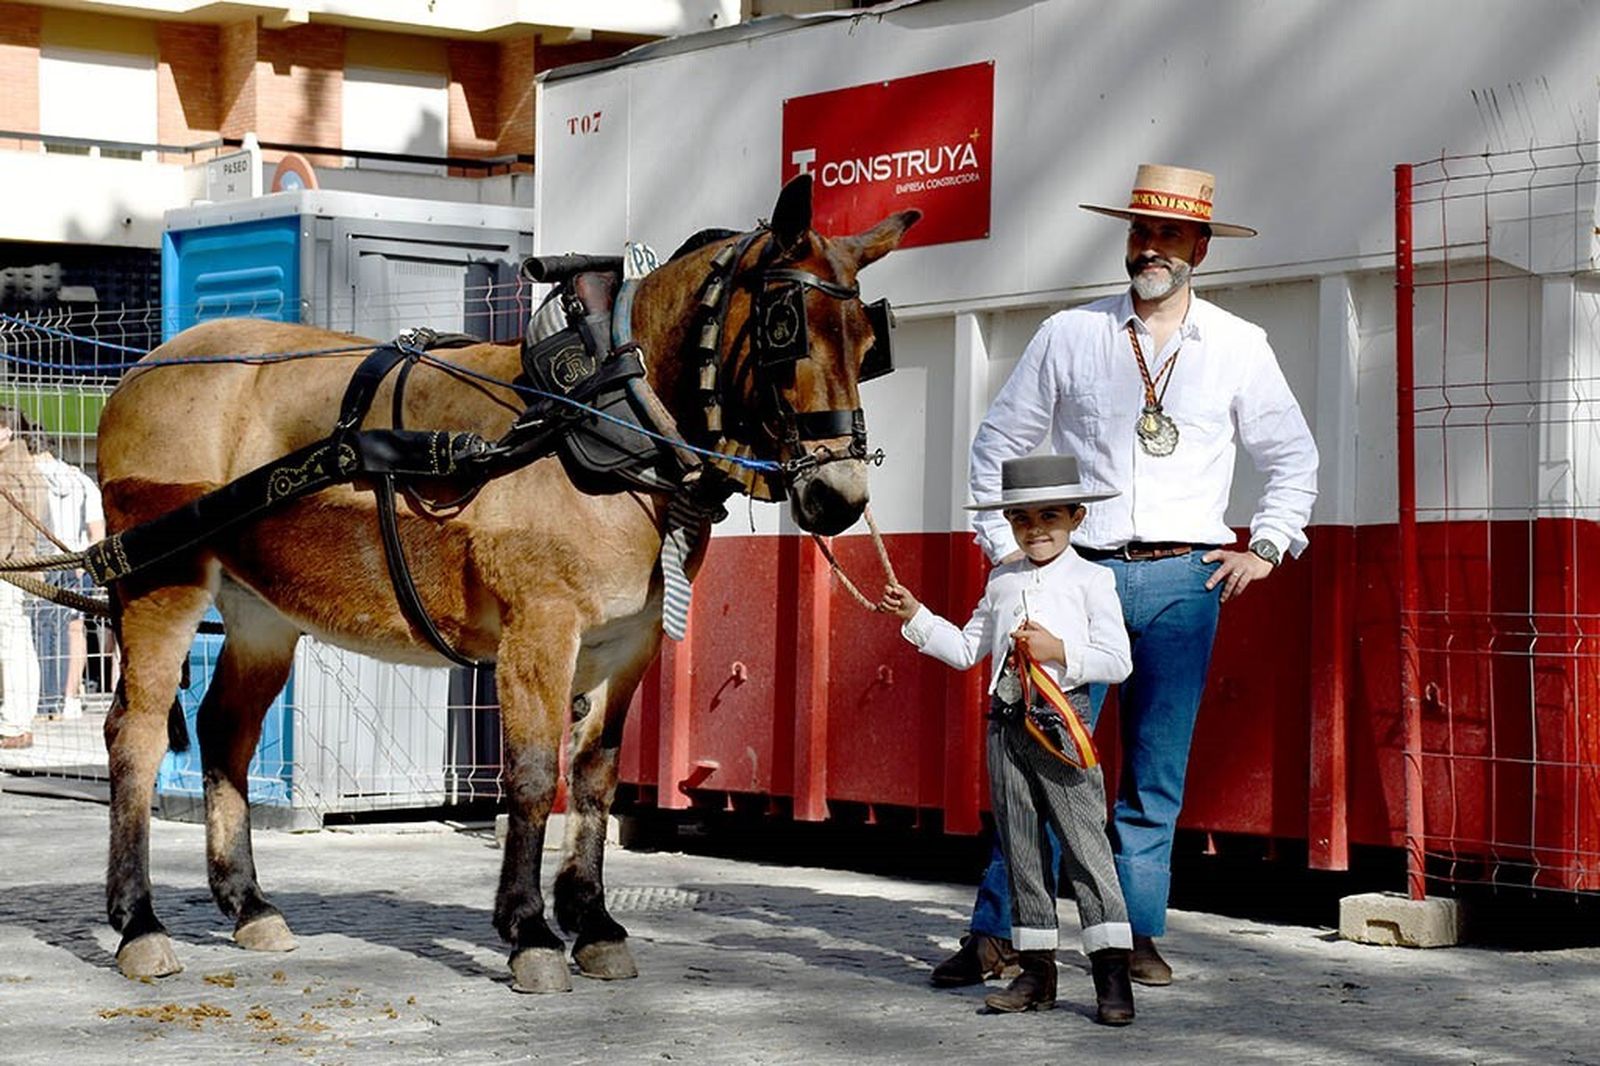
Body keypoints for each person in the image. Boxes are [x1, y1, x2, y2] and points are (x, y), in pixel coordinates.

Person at [932, 164, 1319, 989]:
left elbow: (1292, 458)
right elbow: (999, 443)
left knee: (1154, 777)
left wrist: (1268, 547)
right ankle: (998, 931)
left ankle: (1133, 934)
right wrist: (1004, 549)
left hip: (1186, 581)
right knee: (1039, 760)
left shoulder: (1241, 347)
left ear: (1200, 250)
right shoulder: (1071, 335)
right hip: (1080, 576)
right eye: (1141, 233)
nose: (1150, 249)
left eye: (1169, 236)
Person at [880, 454, 1137, 1024]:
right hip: (1005, 725)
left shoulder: (1094, 580)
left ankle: (1111, 973)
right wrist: (917, 615)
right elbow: (968, 650)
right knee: (1020, 847)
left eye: (1050, 516)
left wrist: (1060, 653)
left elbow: (1118, 661)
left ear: (1076, 517)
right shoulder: (1002, 579)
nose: (1036, 529)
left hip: (1062, 726)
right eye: (1021, 519)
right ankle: (1036, 970)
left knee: (1086, 849)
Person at [25, 426, 105, 721]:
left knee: (34, 632)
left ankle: (38, 698)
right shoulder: (81, 480)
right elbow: (96, 531)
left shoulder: (29, 479)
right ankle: (68, 696)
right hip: (75, 562)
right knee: (74, 629)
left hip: (38, 563)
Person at [0, 409, 46, 750]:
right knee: (16, 646)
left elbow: (9, 529)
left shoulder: (10, 470)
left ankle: (15, 723)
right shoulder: (24, 466)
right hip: (19, 569)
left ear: (5, 432)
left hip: (8, 570)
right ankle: (16, 721)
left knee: (12, 648)